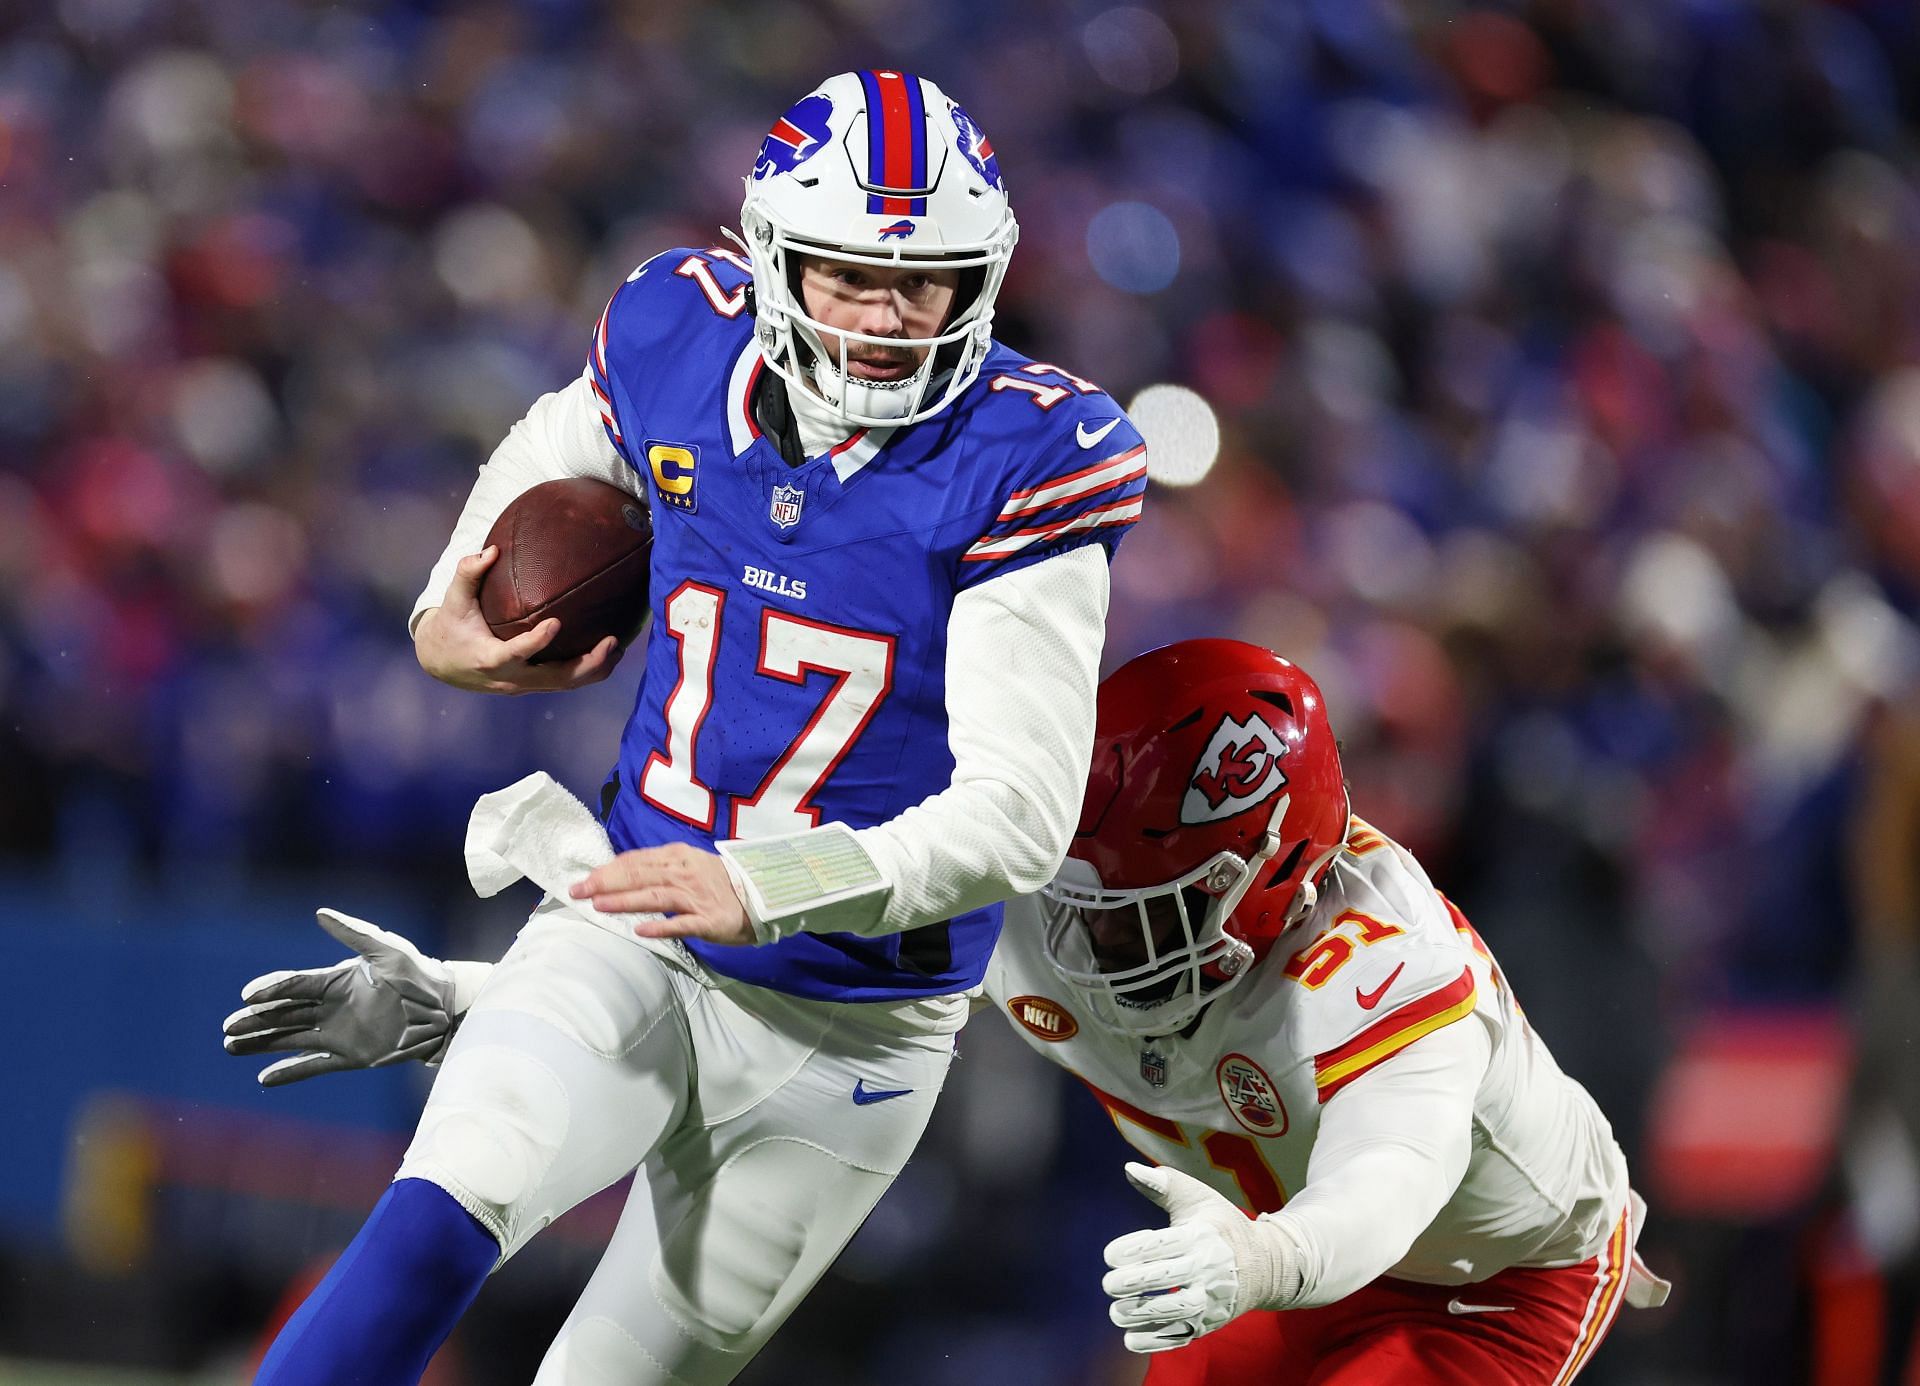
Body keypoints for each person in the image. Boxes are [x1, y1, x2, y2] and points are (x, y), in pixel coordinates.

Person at [231, 69, 1147, 1386]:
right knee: (437, 1217)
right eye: (847, 275)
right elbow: (555, 445)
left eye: (925, 283)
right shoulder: (678, 337)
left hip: (856, 1035)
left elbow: (1016, 815)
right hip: (627, 923)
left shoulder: (1029, 461)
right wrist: (448, 603)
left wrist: (761, 882)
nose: (887, 319)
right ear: (775, 257)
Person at [231, 640, 1668, 1382]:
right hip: (1262, 1235)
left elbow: (1388, 1191)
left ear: (1271, 876)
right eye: (1085, 903)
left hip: (1487, 1268)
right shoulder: (1048, 903)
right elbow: (746, 998)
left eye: (1147, 917)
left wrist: (1261, 1259)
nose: (1094, 953)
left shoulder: (1382, 967)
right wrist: (484, 1003)